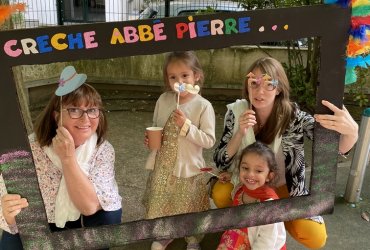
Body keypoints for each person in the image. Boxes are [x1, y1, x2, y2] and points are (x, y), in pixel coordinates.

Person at [213, 57, 359, 249]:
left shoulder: (293, 116)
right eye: (254, 83)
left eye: (268, 84)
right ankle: (240, 229)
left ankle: (270, 227)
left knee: (315, 237)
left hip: (284, 188)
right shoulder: (237, 112)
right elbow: (220, 159)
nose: (260, 91)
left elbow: (333, 147)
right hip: (247, 182)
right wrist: (240, 133)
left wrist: (352, 133)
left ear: (279, 88)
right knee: (220, 193)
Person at [0, 66, 122, 249]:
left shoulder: (102, 150)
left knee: (108, 215)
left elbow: (90, 207)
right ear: (57, 116)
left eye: (92, 110)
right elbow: (5, 199)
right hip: (36, 223)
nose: (86, 119)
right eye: (74, 110)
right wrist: (7, 214)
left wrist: (68, 159)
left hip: (77, 219)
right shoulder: (27, 149)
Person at [143, 51, 216, 250]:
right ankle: (166, 234)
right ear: (167, 79)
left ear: (196, 76)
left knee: (188, 205)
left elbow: (209, 140)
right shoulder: (164, 100)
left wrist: (186, 126)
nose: (179, 81)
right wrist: (150, 138)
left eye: (185, 75)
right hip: (163, 165)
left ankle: (193, 239)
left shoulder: (203, 106)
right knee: (164, 202)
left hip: (188, 168)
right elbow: (157, 125)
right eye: (173, 77)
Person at [217, 141, 286, 250]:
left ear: (269, 176)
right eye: (245, 168)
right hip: (237, 237)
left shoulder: (269, 207)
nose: (250, 174)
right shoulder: (240, 190)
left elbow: (266, 243)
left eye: (258, 170)